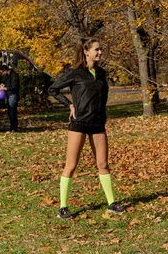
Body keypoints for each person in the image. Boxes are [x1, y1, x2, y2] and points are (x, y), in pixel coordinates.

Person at [48, 38, 125, 219]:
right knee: (71, 165)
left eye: (101, 50)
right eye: (96, 50)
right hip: (79, 124)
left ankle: (112, 203)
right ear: (86, 51)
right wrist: (69, 105)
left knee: (103, 164)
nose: (100, 53)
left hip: (98, 124)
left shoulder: (102, 73)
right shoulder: (75, 73)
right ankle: (63, 207)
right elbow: (53, 89)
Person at [0, 65, 20, 132]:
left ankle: (14, 127)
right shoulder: (8, 76)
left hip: (13, 95)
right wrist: (3, 85)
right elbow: (7, 84)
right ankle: (12, 127)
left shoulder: (14, 76)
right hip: (9, 95)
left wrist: (5, 88)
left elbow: (14, 87)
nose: (2, 73)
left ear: (5, 70)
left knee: (12, 112)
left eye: (2, 72)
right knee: (10, 112)